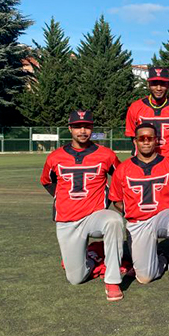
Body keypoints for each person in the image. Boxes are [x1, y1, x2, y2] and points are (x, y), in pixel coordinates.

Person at [40, 110, 124, 301]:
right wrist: (60, 197)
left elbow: (121, 177)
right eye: (77, 127)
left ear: (92, 128)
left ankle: (112, 280)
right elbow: (46, 181)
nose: (82, 131)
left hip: (95, 216)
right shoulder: (55, 157)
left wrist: (111, 197)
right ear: (70, 129)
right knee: (75, 279)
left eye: (86, 126)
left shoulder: (106, 155)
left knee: (114, 220)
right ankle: (94, 253)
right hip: (67, 219)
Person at [109, 123, 169, 300]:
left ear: (156, 141)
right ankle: (161, 258)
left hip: (164, 216)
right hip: (139, 222)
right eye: (142, 138)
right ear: (135, 141)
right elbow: (116, 200)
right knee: (145, 277)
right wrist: (131, 212)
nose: (146, 142)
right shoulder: (123, 169)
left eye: (150, 138)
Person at [125, 67, 169, 162]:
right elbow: (132, 135)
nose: (158, 88)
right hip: (143, 158)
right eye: (154, 84)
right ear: (148, 85)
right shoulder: (136, 107)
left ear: (168, 85)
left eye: (162, 84)